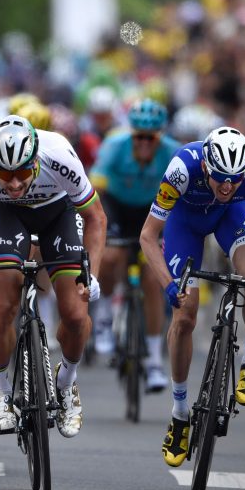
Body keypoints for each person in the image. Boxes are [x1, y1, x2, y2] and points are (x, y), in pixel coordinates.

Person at [138, 126, 245, 467]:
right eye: (220, 176)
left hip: (230, 218)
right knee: (185, 314)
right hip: (185, 224)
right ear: (206, 166)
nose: (226, 186)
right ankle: (179, 415)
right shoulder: (181, 169)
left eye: (234, 180)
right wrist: (168, 285)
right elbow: (148, 237)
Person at [0, 116, 107, 437]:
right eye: (5, 173)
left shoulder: (60, 156)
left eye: (22, 172)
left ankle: (66, 383)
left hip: (57, 213)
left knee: (76, 313)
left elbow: (95, 218)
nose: (14, 183)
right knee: (4, 300)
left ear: (35, 159)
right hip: (8, 215)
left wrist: (92, 274)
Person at [90, 99, 181, 392]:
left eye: (150, 137)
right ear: (131, 134)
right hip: (116, 206)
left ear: (160, 136)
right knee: (111, 256)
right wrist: (101, 229)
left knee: (152, 279)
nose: (143, 142)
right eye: (138, 136)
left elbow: (182, 198)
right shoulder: (114, 146)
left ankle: (154, 361)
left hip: (151, 212)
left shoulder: (172, 152)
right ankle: (104, 315)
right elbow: (96, 191)